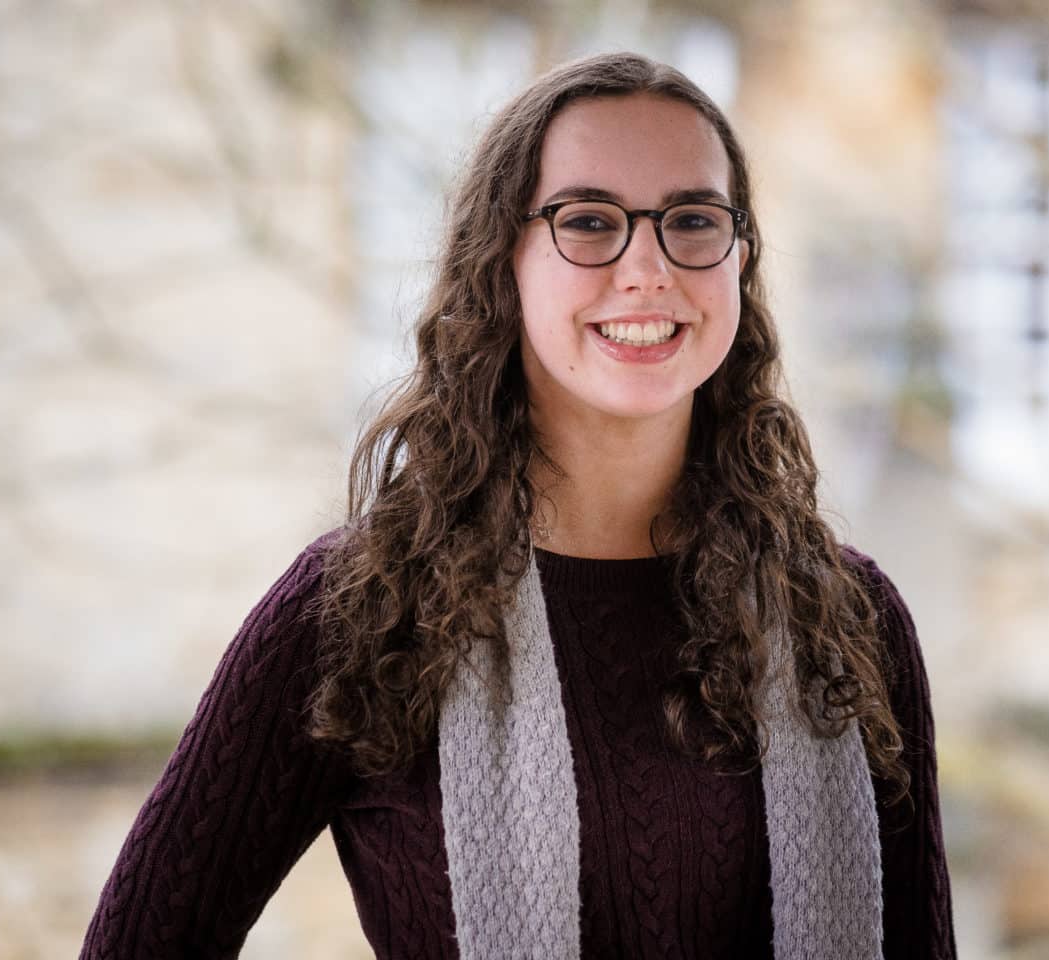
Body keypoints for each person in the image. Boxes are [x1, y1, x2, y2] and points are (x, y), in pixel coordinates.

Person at [80, 52, 955, 960]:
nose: (648, 268)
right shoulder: (362, 611)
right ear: (504, 260)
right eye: (587, 222)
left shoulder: (849, 624)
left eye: (693, 219)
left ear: (739, 257)